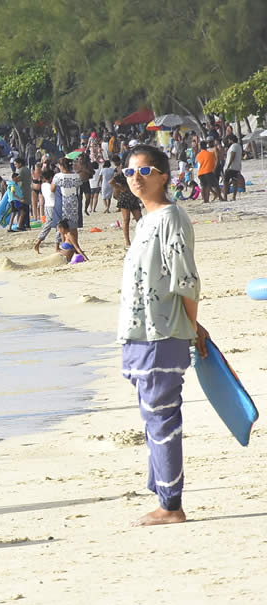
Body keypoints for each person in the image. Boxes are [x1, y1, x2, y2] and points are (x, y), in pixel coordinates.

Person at [119, 144, 206, 527]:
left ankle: (171, 505)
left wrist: (193, 326)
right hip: (139, 333)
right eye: (129, 172)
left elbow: (185, 280)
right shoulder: (144, 221)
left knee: (162, 418)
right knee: (151, 415)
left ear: (164, 177)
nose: (135, 178)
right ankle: (162, 494)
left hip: (162, 332)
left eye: (145, 170)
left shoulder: (172, 217)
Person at [111, 171, 143, 247]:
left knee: (140, 220)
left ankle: (141, 238)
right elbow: (111, 182)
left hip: (132, 197)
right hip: (124, 197)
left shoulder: (134, 172)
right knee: (126, 219)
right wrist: (121, 188)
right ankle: (127, 241)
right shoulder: (122, 173)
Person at [223, 135, 244, 201]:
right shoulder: (239, 146)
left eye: (229, 140)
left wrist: (228, 165)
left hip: (231, 168)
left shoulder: (233, 146)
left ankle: (225, 197)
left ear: (231, 140)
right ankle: (233, 197)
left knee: (226, 182)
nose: (228, 141)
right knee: (234, 182)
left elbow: (232, 155)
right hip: (237, 167)